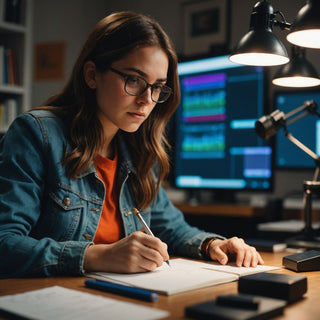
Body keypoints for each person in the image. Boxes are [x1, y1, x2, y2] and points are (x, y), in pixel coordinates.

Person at [0, 11, 263, 278]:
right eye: (134, 80)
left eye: (158, 86)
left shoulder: (140, 152)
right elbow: (5, 243)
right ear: (92, 75)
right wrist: (97, 256)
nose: (147, 99)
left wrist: (213, 244)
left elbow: (172, 227)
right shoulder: (37, 134)